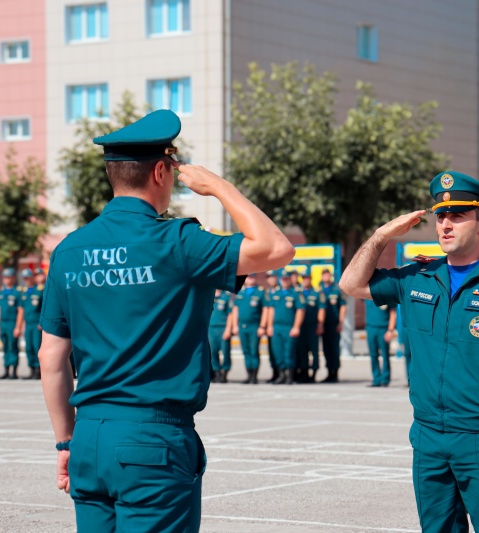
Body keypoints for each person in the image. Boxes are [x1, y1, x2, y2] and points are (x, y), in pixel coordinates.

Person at [37, 109, 294, 532]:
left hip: (89, 439)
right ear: (161, 171)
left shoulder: (69, 250)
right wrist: (218, 187)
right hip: (150, 441)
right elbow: (276, 248)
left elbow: (52, 358)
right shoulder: (177, 243)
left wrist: (66, 441)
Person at [340, 170, 479, 532]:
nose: (445, 225)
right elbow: (351, 284)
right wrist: (380, 237)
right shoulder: (417, 277)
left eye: (457, 216)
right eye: (441, 216)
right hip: (428, 437)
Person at [266, 270, 305, 385]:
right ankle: (281, 375)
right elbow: (271, 310)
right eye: (283, 279)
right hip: (277, 327)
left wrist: (296, 327)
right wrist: (269, 326)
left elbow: (300, 311)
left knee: (289, 352)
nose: (284, 281)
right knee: (278, 351)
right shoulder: (276, 294)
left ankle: (290, 376)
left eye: (286, 279)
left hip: (289, 327)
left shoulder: (295, 294)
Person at [231, 274, 267, 384]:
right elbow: (235, 310)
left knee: (253, 350)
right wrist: (235, 325)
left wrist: (262, 326)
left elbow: (265, 310)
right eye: (248, 277)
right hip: (242, 326)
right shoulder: (241, 293)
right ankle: (248, 374)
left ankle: (254, 376)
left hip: (254, 326)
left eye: (252, 277)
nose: (250, 279)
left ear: (255, 278)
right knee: (246, 351)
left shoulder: (260, 293)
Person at [317, 269, 346, 383]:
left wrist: (340, 322)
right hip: (324, 325)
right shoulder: (320, 289)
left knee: (334, 349)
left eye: (327, 274)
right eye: (324, 275)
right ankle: (329, 372)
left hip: (334, 324)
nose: (326, 277)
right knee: (326, 349)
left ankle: (335, 373)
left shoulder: (337, 289)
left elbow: (343, 306)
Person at [0, 267, 24, 380]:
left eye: (9, 277)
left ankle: (14, 371)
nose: (7, 280)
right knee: (5, 346)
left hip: (12, 322)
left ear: (13, 278)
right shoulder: (1, 292)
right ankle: (6, 370)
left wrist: (18, 326)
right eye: (5, 277)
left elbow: (20, 310)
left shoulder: (17, 292)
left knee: (13, 346)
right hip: (3, 323)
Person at [365, 299, 396, 387]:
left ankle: (385, 379)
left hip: (383, 328)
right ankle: (376, 379)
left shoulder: (386, 294)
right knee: (373, 355)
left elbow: (393, 312)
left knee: (385, 355)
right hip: (371, 327)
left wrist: (390, 330)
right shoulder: (366, 296)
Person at [296, 273, 321, 383]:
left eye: (307, 278)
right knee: (302, 350)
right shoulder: (299, 293)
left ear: (311, 279)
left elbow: (321, 309)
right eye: (304, 279)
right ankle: (304, 372)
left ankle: (314, 373)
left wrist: (320, 325)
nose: (305, 281)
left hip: (312, 326)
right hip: (302, 327)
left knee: (314, 350)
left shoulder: (316, 293)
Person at [21, 268, 44, 380]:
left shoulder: (39, 290)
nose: (26, 280)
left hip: (36, 324)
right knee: (29, 347)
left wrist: (42, 322)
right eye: (24, 278)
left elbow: (45, 308)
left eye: (28, 278)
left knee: (36, 347)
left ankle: (38, 370)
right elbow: (22, 309)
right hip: (28, 324)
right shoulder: (25, 291)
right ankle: (31, 370)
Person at [208, 289, 233, 383]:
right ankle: (216, 372)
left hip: (223, 327)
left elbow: (230, 314)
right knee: (212, 351)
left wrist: (228, 329)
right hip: (211, 328)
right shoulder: (209, 294)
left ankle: (225, 371)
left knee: (225, 351)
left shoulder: (226, 296)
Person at [264, 271, 281, 383]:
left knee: (280, 351)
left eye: (273, 277)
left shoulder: (281, 291)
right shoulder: (266, 293)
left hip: (279, 325)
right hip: (269, 326)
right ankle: (275, 373)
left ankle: (282, 374)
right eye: (269, 277)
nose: (271, 279)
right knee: (272, 351)